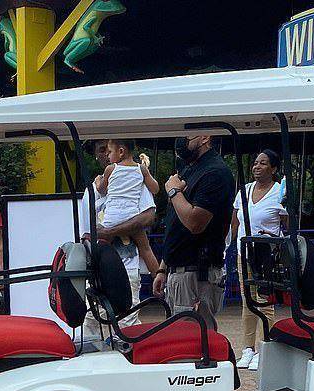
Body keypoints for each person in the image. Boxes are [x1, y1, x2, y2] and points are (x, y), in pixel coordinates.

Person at [153, 136, 236, 326]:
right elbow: (177, 225)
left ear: (205, 137)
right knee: (180, 336)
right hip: (180, 271)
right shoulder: (191, 169)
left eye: (187, 136)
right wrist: (163, 268)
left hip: (197, 273)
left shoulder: (215, 172)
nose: (181, 141)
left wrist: (174, 192)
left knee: (195, 337)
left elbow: (195, 223)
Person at [81, 139, 156, 343]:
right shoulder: (91, 189)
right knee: (91, 322)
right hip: (96, 269)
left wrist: (110, 231)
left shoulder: (135, 178)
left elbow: (148, 217)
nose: (106, 154)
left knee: (126, 323)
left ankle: (129, 358)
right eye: (101, 150)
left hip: (126, 266)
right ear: (96, 155)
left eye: (109, 149)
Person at [230, 149, 288, 370]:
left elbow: (287, 224)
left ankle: (266, 347)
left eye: (263, 163)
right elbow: (235, 221)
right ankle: (247, 348)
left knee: (265, 301)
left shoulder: (279, 192)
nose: (257, 166)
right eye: (255, 162)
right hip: (244, 251)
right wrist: (230, 245)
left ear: (273, 168)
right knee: (247, 300)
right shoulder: (244, 190)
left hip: (266, 254)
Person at [96, 139, 160, 277]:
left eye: (110, 152)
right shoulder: (141, 169)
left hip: (112, 217)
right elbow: (155, 189)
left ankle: (96, 272)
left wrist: (98, 181)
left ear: (121, 152)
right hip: (132, 217)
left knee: (102, 245)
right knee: (146, 249)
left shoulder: (111, 169)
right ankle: (159, 277)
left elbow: (101, 190)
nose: (107, 155)